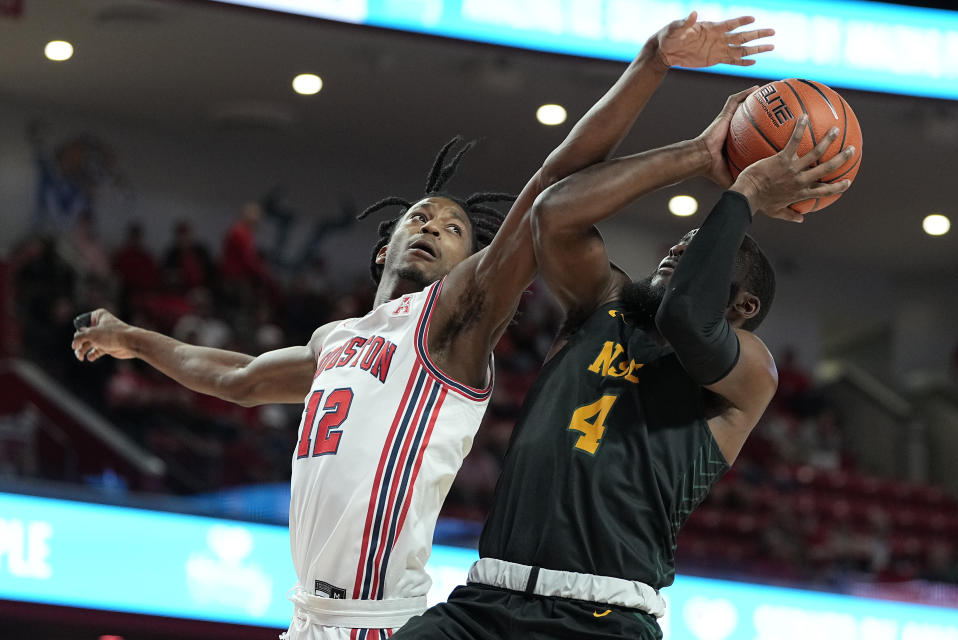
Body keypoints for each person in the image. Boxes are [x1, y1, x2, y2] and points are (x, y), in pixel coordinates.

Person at [70, 13, 775, 639]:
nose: (434, 227)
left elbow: (551, 185)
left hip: (379, 618)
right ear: (385, 244)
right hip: (308, 617)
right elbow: (238, 378)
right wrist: (134, 340)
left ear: (478, 262)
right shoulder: (336, 340)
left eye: (456, 228)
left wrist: (650, 69)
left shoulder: (455, 317)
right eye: (421, 217)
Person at [392, 95, 854, 637]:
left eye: (702, 249)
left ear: (743, 306)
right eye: (681, 242)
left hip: (603, 618)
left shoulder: (751, 370)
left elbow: (687, 317)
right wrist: (699, 154)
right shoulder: (603, 303)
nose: (678, 251)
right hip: (486, 601)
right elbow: (553, 214)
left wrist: (745, 194)